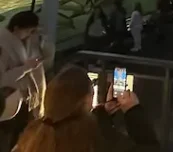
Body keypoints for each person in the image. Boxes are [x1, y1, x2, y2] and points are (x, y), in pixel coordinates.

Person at [15, 64, 158, 152]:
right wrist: (132, 110)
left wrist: (102, 113)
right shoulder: (92, 137)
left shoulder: (32, 134)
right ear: (86, 100)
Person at [0, 11, 44, 147]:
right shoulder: (4, 46)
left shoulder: (17, 43)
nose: (29, 36)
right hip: (8, 103)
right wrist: (26, 68)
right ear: (17, 28)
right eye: (28, 31)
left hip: (18, 102)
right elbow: (2, 79)